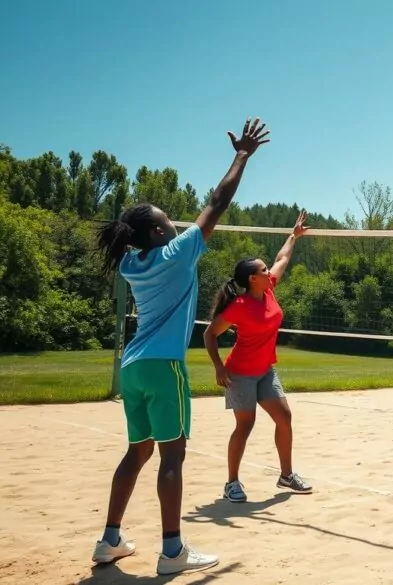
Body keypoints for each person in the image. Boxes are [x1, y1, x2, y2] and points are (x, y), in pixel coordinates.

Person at [92, 117, 270, 574]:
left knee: (138, 451)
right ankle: (172, 551)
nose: (174, 224)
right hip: (163, 366)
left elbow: (190, 214)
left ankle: (109, 539)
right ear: (156, 233)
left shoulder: (131, 263)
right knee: (173, 455)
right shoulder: (176, 253)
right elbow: (217, 201)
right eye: (166, 221)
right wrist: (242, 155)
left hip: (133, 367)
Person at [202, 210, 315, 504]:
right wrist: (218, 367)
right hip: (239, 373)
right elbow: (209, 335)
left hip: (265, 370)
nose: (269, 272)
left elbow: (282, 259)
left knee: (284, 418)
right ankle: (231, 483)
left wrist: (294, 234)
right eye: (263, 271)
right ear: (253, 279)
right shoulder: (238, 306)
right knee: (246, 425)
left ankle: (286, 475)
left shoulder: (269, 290)